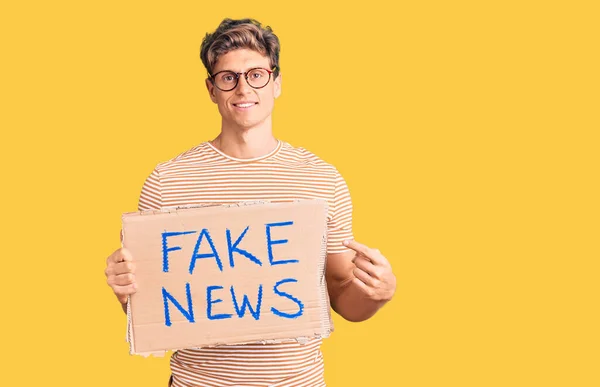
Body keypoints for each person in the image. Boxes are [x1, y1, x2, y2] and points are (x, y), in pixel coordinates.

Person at [104, 18, 396, 387]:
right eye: (228, 77)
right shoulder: (168, 182)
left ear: (276, 83)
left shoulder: (321, 179)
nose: (243, 88)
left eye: (256, 74)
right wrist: (124, 287)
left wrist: (376, 295)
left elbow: (341, 292)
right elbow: (156, 307)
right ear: (212, 89)